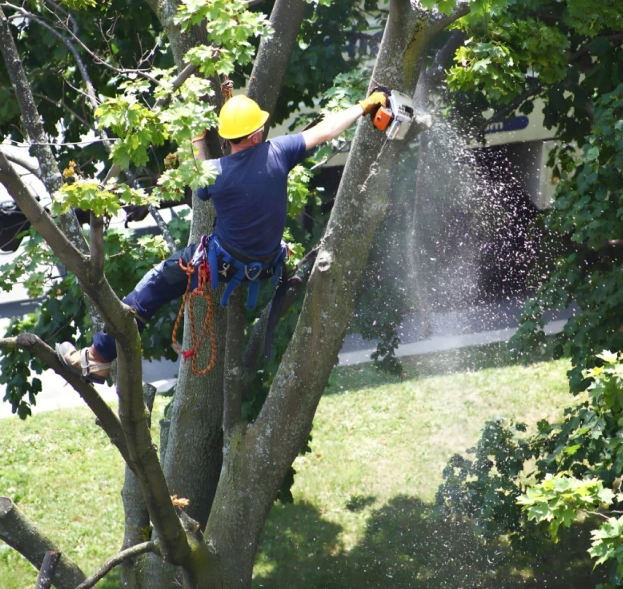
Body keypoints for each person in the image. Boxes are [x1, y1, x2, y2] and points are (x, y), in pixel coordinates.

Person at [56, 90, 389, 382]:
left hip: (223, 265)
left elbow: (197, 171)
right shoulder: (280, 152)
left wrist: (195, 135)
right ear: (257, 133)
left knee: (153, 286)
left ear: (227, 137)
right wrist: (363, 106)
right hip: (266, 266)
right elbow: (323, 131)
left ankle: (98, 358)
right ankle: (100, 357)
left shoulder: (216, 173)